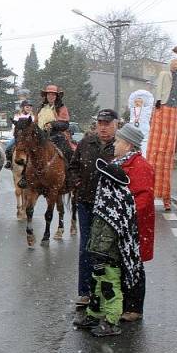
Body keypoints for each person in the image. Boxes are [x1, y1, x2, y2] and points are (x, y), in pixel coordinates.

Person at [72, 159, 143, 337]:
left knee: (109, 288)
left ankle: (111, 321)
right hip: (100, 255)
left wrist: (101, 251)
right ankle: (95, 315)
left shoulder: (116, 204)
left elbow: (113, 234)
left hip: (110, 257)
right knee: (97, 284)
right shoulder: (106, 202)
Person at [69, 109, 117, 308]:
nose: (103, 127)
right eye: (100, 123)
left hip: (109, 207)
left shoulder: (120, 146)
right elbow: (72, 167)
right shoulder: (86, 143)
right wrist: (77, 183)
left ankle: (108, 293)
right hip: (86, 202)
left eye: (107, 124)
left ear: (116, 125)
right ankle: (85, 292)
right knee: (86, 246)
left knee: (107, 250)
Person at [112, 123, 154, 322]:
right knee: (123, 265)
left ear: (128, 145)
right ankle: (124, 304)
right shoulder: (121, 162)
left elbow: (143, 198)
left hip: (134, 227)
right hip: (124, 225)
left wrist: (124, 215)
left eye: (118, 141)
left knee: (133, 266)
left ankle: (134, 308)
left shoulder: (140, 166)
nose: (115, 144)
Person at [146, 58, 177, 211]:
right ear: (171, 64)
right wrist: (159, 100)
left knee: (169, 146)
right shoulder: (164, 74)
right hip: (164, 104)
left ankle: (165, 197)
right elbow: (160, 87)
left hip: (173, 106)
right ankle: (150, 194)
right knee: (157, 140)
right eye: (176, 64)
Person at [4, 100, 34, 169]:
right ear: (23, 108)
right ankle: (9, 161)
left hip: (29, 137)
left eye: (30, 107)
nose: (29, 108)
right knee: (8, 147)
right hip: (19, 136)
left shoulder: (32, 117)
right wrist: (18, 134)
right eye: (27, 107)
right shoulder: (17, 116)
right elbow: (14, 127)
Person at [127, 89, 154, 156]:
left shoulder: (146, 110)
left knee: (144, 144)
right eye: (136, 101)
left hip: (143, 129)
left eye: (139, 101)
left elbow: (150, 102)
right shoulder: (132, 110)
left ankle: (144, 156)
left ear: (143, 102)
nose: (137, 103)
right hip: (134, 129)